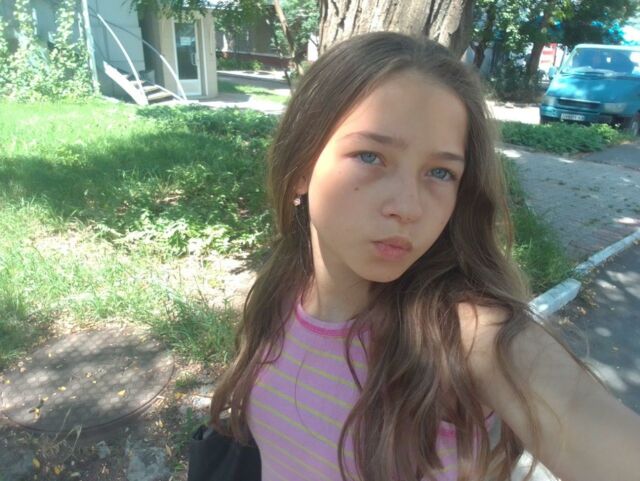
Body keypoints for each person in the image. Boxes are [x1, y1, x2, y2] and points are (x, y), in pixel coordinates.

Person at [209, 32, 640, 481]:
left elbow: (578, 412)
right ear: (302, 168)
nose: (408, 207)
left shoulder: (463, 336)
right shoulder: (278, 295)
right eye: (370, 156)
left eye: (440, 172)